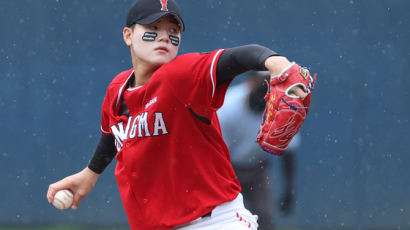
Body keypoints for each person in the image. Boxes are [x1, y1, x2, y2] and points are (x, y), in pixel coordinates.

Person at [46, 0, 308, 229]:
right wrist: (90, 174)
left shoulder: (182, 75)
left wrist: (277, 64)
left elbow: (238, 57)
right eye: (153, 29)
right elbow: (113, 134)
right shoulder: (117, 91)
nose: (164, 37)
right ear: (128, 35)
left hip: (216, 222)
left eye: (173, 31)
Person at [217, 71, 300, 230]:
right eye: (261, 82)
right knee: (223, 219)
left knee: (264, 218)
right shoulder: (227, 105)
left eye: (270, 84)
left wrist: (290, 188)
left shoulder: (282, 109)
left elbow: (289, 150)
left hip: (258, 168)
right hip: (227, 169)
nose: (265, 88)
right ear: (249, 82)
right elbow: (216, 152)